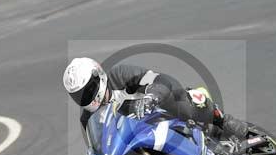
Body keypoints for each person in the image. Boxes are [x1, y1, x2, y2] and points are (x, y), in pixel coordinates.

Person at [63, 57, 249, 140]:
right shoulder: (87, 119)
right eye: (78, 95)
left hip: (162, 109)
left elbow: (159, 79)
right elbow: (97, 149)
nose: (86, 97)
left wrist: (151, 97)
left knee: (179, 102)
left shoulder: (118, 75)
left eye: (87, 90)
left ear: (98, 76)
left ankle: (222, 119)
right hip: (139, 137)